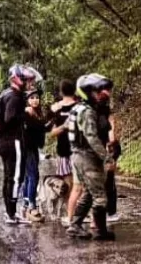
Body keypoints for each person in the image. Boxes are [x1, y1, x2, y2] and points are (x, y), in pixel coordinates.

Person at [66, 73, 116, 241]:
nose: (101, 94)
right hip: (86, 156)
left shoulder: (80, 108)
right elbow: (91, 137)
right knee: (100, 196)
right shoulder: (86, 112)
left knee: (88, 192)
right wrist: (106, 157)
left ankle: (75, 225)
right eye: (97, 91)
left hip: (80, 155)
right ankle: (101, 231)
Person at [0, 64, 40, 225]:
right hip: (13, 142)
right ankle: (11, 214)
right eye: (28, 80)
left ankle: (10, 212)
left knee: (10, 178)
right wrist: (25, 113)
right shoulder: (14, 97)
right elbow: (10, 119)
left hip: (6, 142)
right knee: (15, 178)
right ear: (18, 80)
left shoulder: (8, 94)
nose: (30, 84)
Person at [49, 79, 81, 225]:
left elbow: (52, 132)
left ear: (61, 92)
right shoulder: (80, 107)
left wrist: (62, 127)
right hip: (78, 150)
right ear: (74, 90)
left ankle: (71, 215)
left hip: (64, 151)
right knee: (79, 185)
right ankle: (76, 214)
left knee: (70, 185)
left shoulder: (56, 109)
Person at [21, 89, 48, 222]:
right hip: (27, 148)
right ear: (27, 100)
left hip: (32, 148)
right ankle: (32, 205)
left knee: (28, 176)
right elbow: (40, 127)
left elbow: (42, 127)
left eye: (37, 97)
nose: (35, 100)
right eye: (32, 98)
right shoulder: (26, 113)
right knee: (33, 176)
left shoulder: (36, 113)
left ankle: (26, 203)